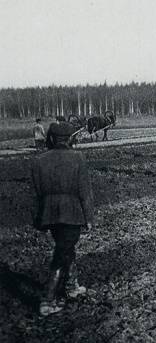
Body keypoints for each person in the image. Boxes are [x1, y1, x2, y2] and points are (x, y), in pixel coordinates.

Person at [31, 121, 94, 316]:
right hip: (71, 212)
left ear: (51, 138)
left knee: (65, 248)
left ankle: (72, 286)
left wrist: (41, 213)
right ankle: (48, 300)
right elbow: (85, 191)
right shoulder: (78, 158)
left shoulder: (39, 160)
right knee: (62, 254)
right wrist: (89, 216)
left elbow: (37, 191)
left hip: (48, 213)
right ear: (69, 139)